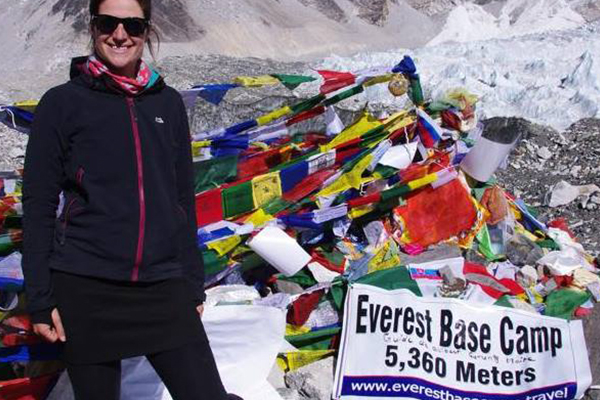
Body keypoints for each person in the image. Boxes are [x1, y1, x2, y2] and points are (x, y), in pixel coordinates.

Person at [22, 0, 239, 399]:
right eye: (108, 23)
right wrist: (40, 298)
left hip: (162, 284)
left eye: (132, 26)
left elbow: (180, 199)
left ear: (147, 31)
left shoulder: (167, 103)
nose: (119, 35)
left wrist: (192, 285)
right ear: (92, 26)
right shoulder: (62, 103)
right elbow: (37, 204)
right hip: (86, 285)